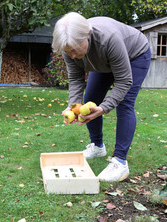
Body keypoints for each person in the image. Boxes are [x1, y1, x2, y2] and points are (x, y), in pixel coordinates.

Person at [52, 12, 151, 182]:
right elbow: (75, 78)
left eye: (75, 50)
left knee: (125, 103)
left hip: (135, 55)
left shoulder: (108, 39)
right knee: (91, 97)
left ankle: (120, 162)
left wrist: (105, 108)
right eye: (69, 52)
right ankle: (98, 146)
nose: (72, 55)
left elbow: (124, 80)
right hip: (104, 62)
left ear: (87, 36)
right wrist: (73, 106)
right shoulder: (69, 46)